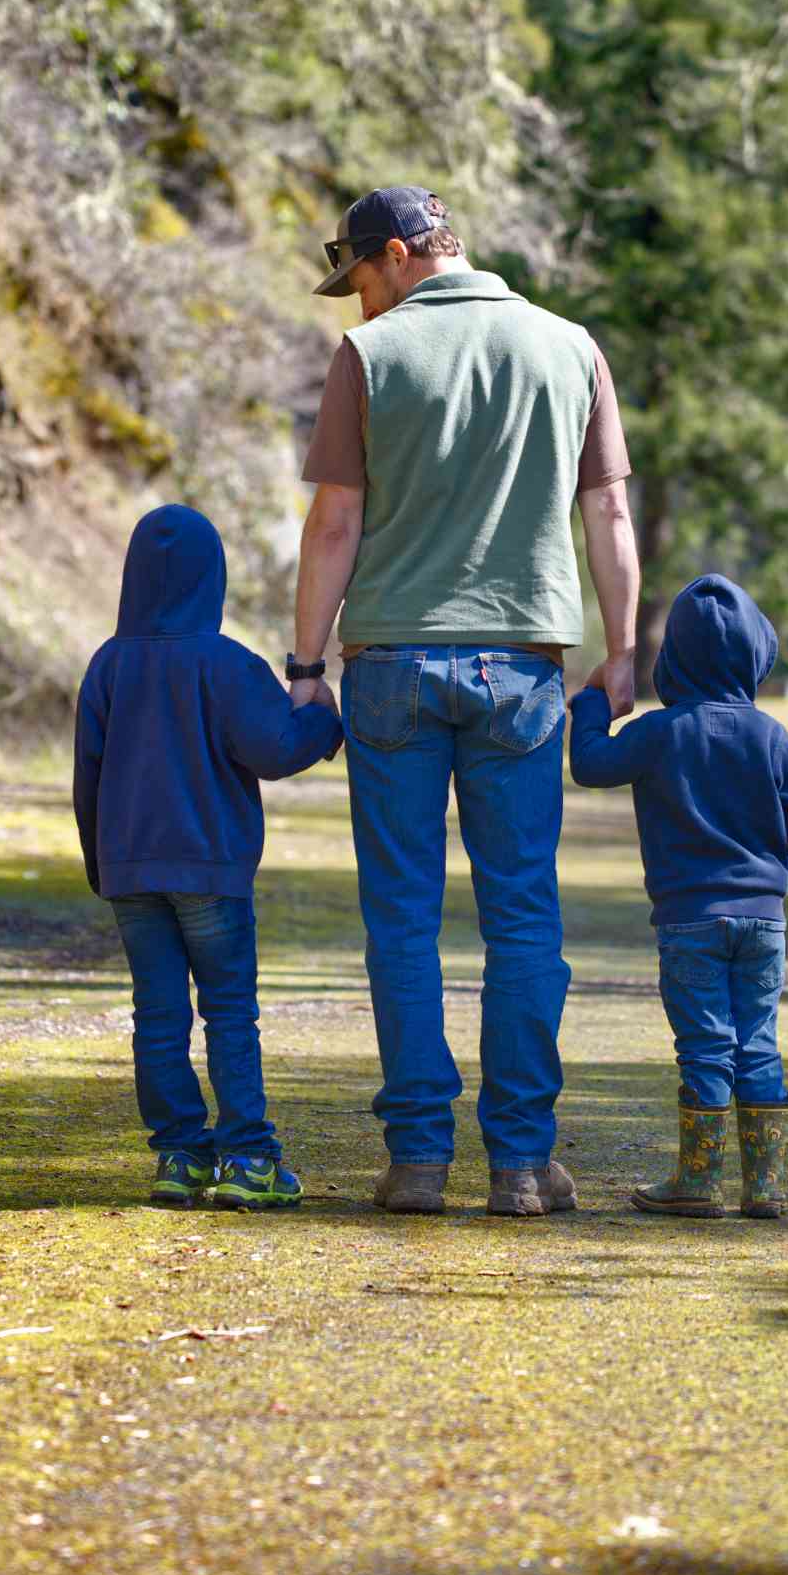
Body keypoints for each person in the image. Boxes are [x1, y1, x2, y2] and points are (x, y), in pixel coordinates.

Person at [287, 186, 642, 1217]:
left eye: (357, 279)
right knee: (523, 916)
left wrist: (306, 666)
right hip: (525, 672)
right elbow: (610, 508)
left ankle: (419, 1161)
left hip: (393, 664)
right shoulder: (570, 347)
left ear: (397, 255)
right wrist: (623, 652)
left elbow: (334, 526)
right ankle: (524, 1162)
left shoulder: (374, 356)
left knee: (402, 921)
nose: (356, 305)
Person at [74, 504, 342, 1209]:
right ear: (211, 578)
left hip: (131, 873)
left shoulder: (108, 664)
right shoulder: (227, 665)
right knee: (228, 1011)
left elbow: (88, 775)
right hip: (212, 872)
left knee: (157, 1014)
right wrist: (324, 719)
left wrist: (100, 866)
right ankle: (249, 1159)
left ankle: (180, 1157)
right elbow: (275, 749)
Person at [568, 574, 788, 1219]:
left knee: (706, 1041)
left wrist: (594, 701)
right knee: (758, 1038)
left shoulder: (660, 732)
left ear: (673, 658)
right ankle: (764, 1187)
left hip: (688, 922)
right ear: (755, 656)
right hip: (765, 922)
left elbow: (592, 764)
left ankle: (698, 1180)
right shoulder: (771, 737)